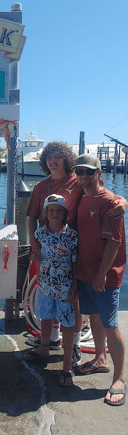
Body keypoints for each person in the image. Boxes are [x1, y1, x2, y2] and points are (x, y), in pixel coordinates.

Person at [25, 141, 126, 366]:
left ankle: (76, 345)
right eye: (48, 157)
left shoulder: (78, 179)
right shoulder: (41, 186)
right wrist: (35, 246)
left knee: (74, 298)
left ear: (66, 160)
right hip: (47, 249)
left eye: (57, 156)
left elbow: (102, 193)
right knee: (46, 298)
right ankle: (48, 342)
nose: (52, 161)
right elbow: (31, 217)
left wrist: (122, 200)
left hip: (73, 249)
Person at [73, 154, 126, 406]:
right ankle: (100, 360)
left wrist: (101, 275)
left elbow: (114, 242)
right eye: (79, 171)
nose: (84, 176)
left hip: (103, 276)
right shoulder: (83, 197)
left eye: (89, 172)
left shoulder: (110, 202)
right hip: (85, 273)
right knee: (94, 316)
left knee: (110, 324)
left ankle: (119, 379)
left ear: (99, 172)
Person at [23, 194, 78, 386]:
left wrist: (76, 286)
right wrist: (35, 257)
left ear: (65, 214)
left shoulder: (72, 236)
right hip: (45, 285)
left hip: (65, 287)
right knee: (45, 317)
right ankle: (44, 347)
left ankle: (67, 363)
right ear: (45, 213)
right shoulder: (39, 234)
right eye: (51, 210)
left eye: (59, 210)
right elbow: (36, 257)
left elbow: (76, 263)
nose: (55, 214)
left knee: (67, 324)